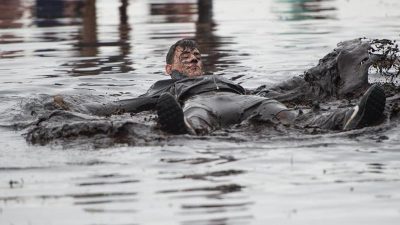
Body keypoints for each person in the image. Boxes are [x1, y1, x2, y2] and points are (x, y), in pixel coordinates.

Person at [83, 39, 386, 135]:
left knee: (287, 115)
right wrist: (76, 108)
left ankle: (348, 120)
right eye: (185, 57)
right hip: (201, 103)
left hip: (246, 100)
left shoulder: (223, 77)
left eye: (196, 57)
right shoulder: (164, 86)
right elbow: (127, 106)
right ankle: (184, 128)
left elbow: (277, 91)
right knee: (197, 117)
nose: (193, 60)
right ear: (169, 68)